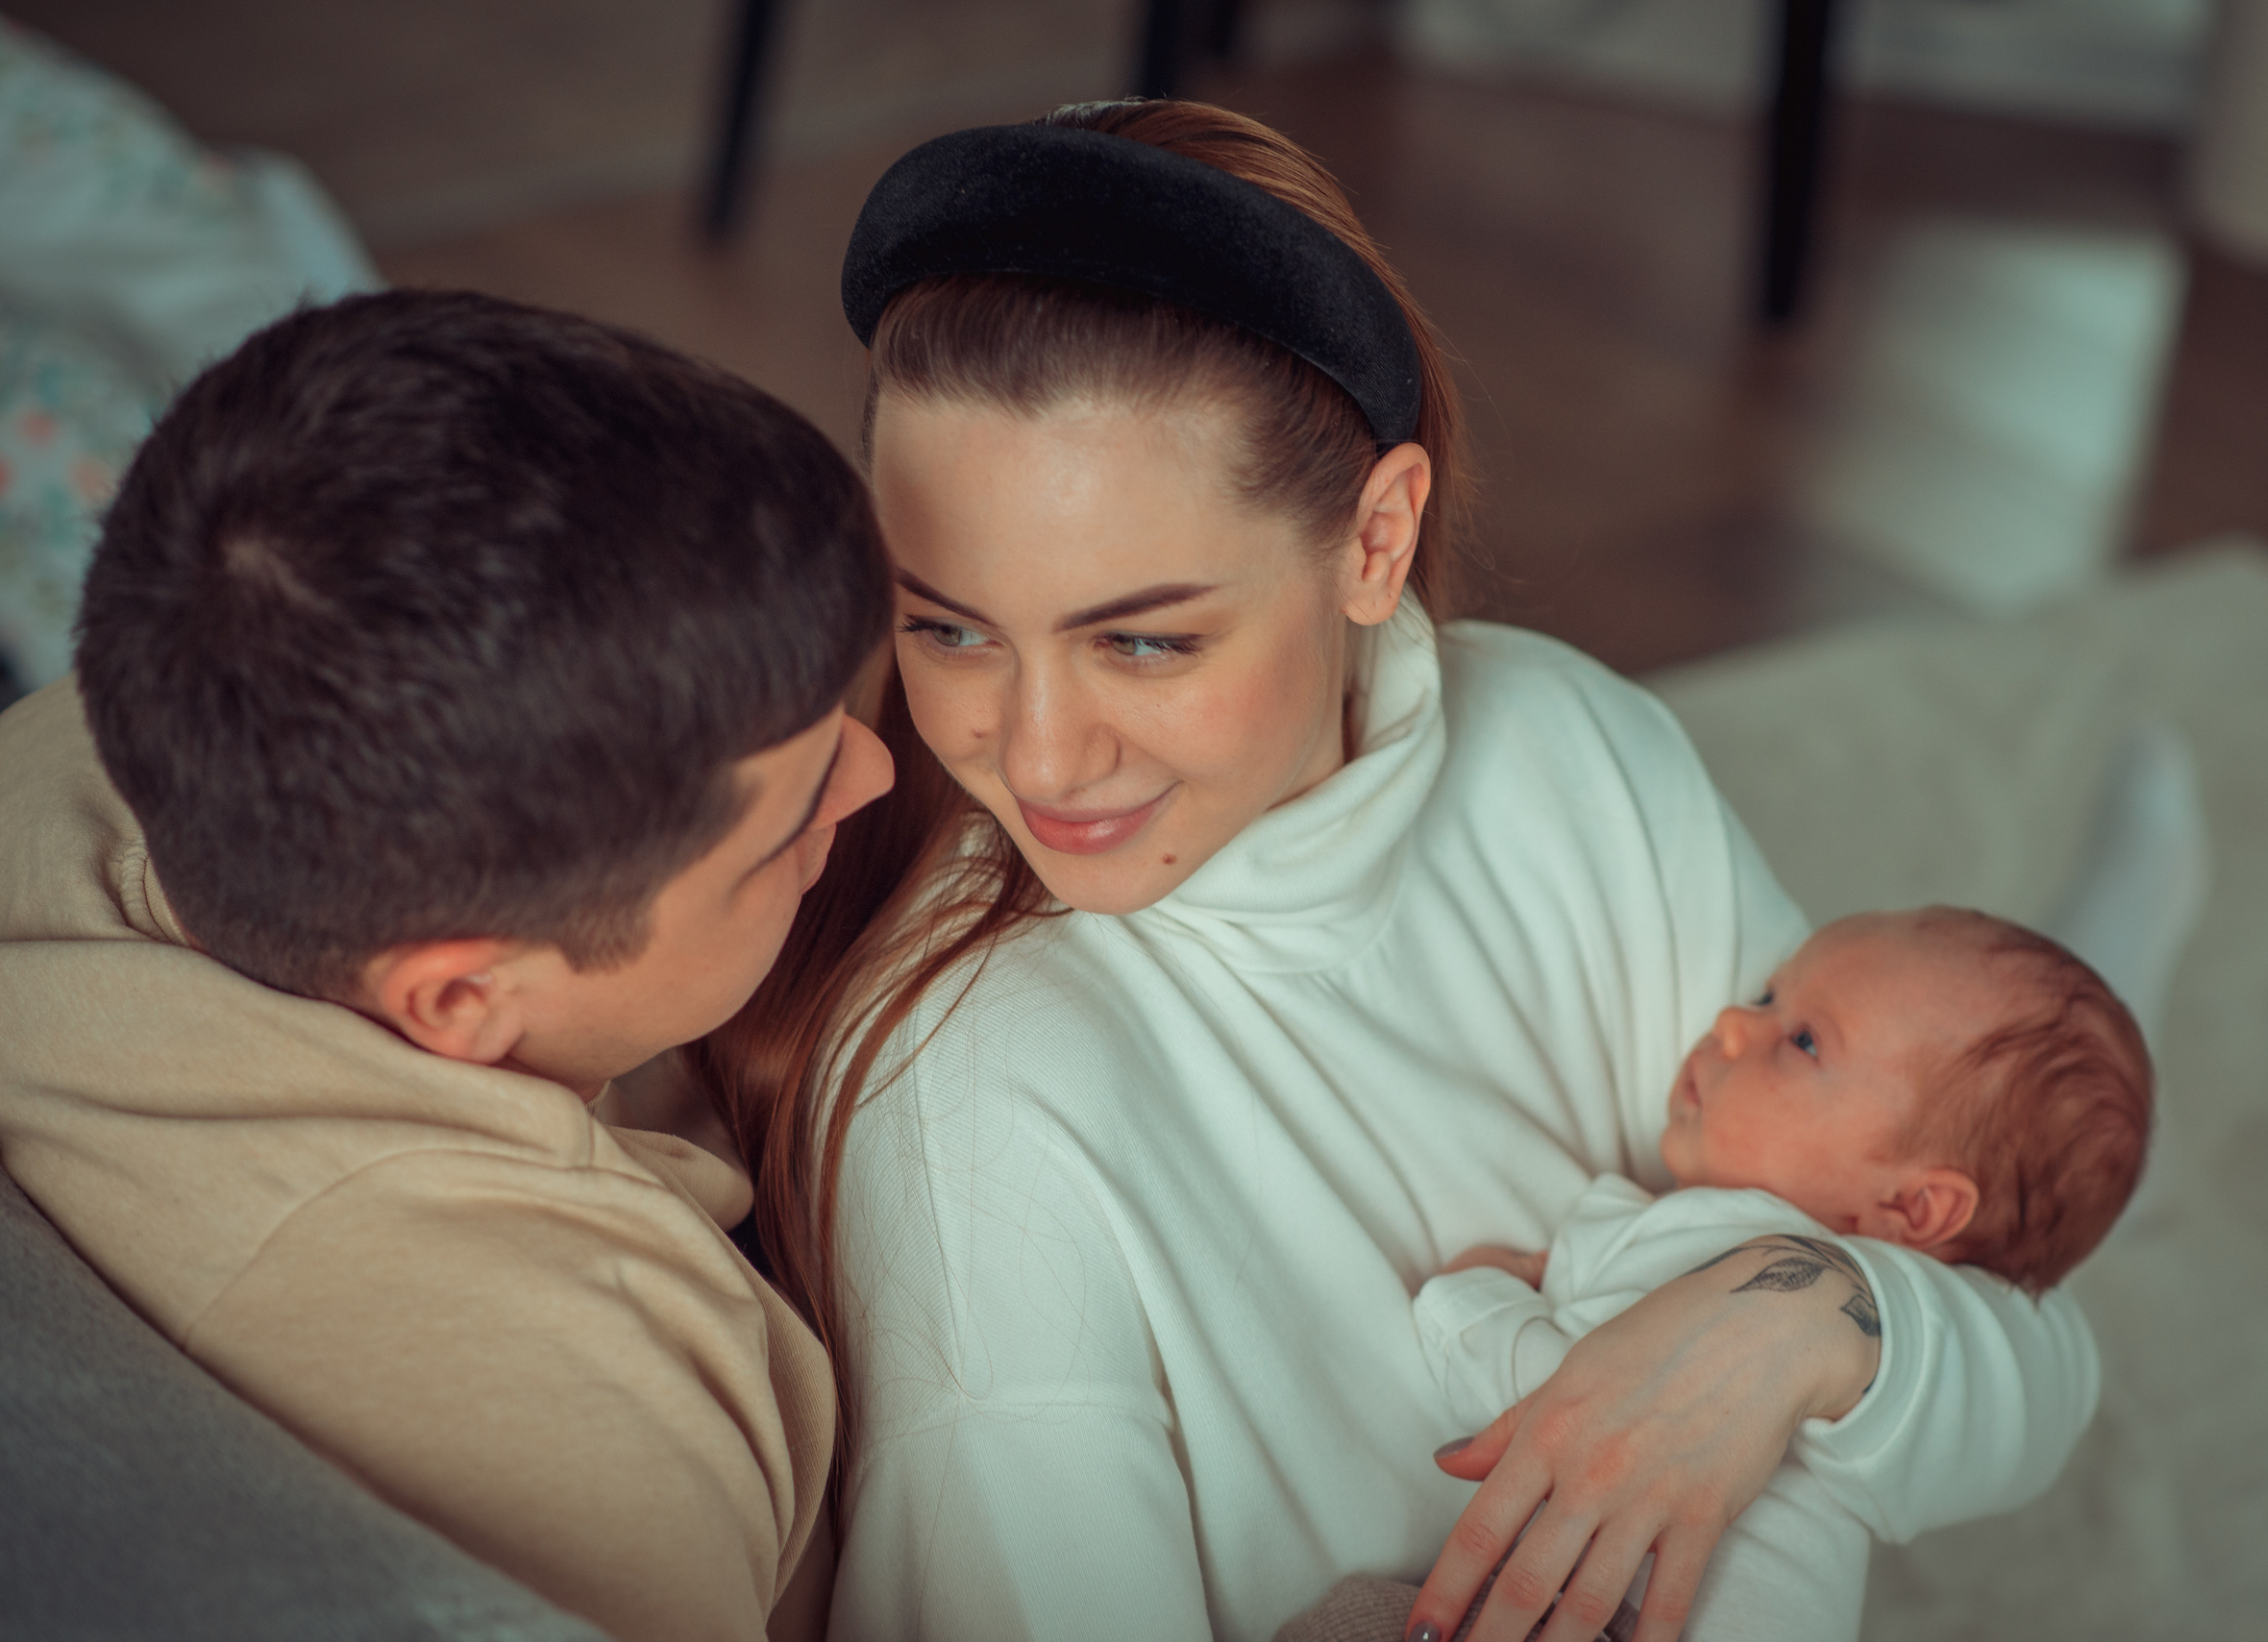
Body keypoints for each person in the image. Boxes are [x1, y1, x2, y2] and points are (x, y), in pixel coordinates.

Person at [698, 101, 2102, 1642]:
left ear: (1376, 541)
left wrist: (1788, 1333)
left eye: (1143, 641)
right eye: (950, 627)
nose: (1036, 756)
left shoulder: (1575, 753)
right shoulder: (974, 1100)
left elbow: (2034, 1355)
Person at [0, 291, 894, 1642]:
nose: (872, 774)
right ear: (463, 998)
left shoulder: (147, 712)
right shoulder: (591, 1412)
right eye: (785, 825)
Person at [1406, 908, 2153, 1641]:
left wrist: (1473, 1294)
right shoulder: (1872, 1383)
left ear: (1912, 1205)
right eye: (1767, 994)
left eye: (1803, 1040)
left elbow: (1553, 1416)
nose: (1733, 1021)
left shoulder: (1712, 1242)